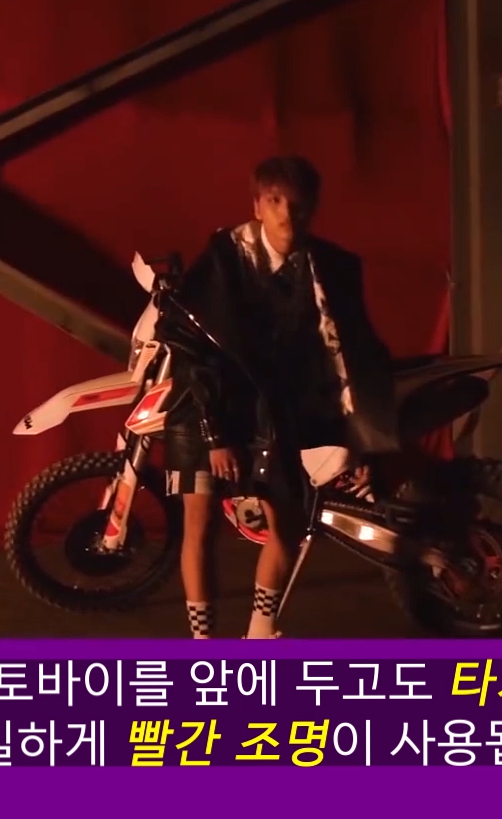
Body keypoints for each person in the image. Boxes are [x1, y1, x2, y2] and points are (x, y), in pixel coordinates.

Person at [158, 155, 396, 639]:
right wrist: (216, 434)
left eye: (298, 205)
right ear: (257, 206)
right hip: (206, 407)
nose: (287, 215)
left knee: (287, 528)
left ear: (313, 209)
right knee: (199, 527)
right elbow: (193, 351)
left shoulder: (331, 269)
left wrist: (363, 441)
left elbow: (355, 356)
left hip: (274, 413)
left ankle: (259, 637)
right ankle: (203, 648)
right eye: (274, 201)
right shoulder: (225, 258)